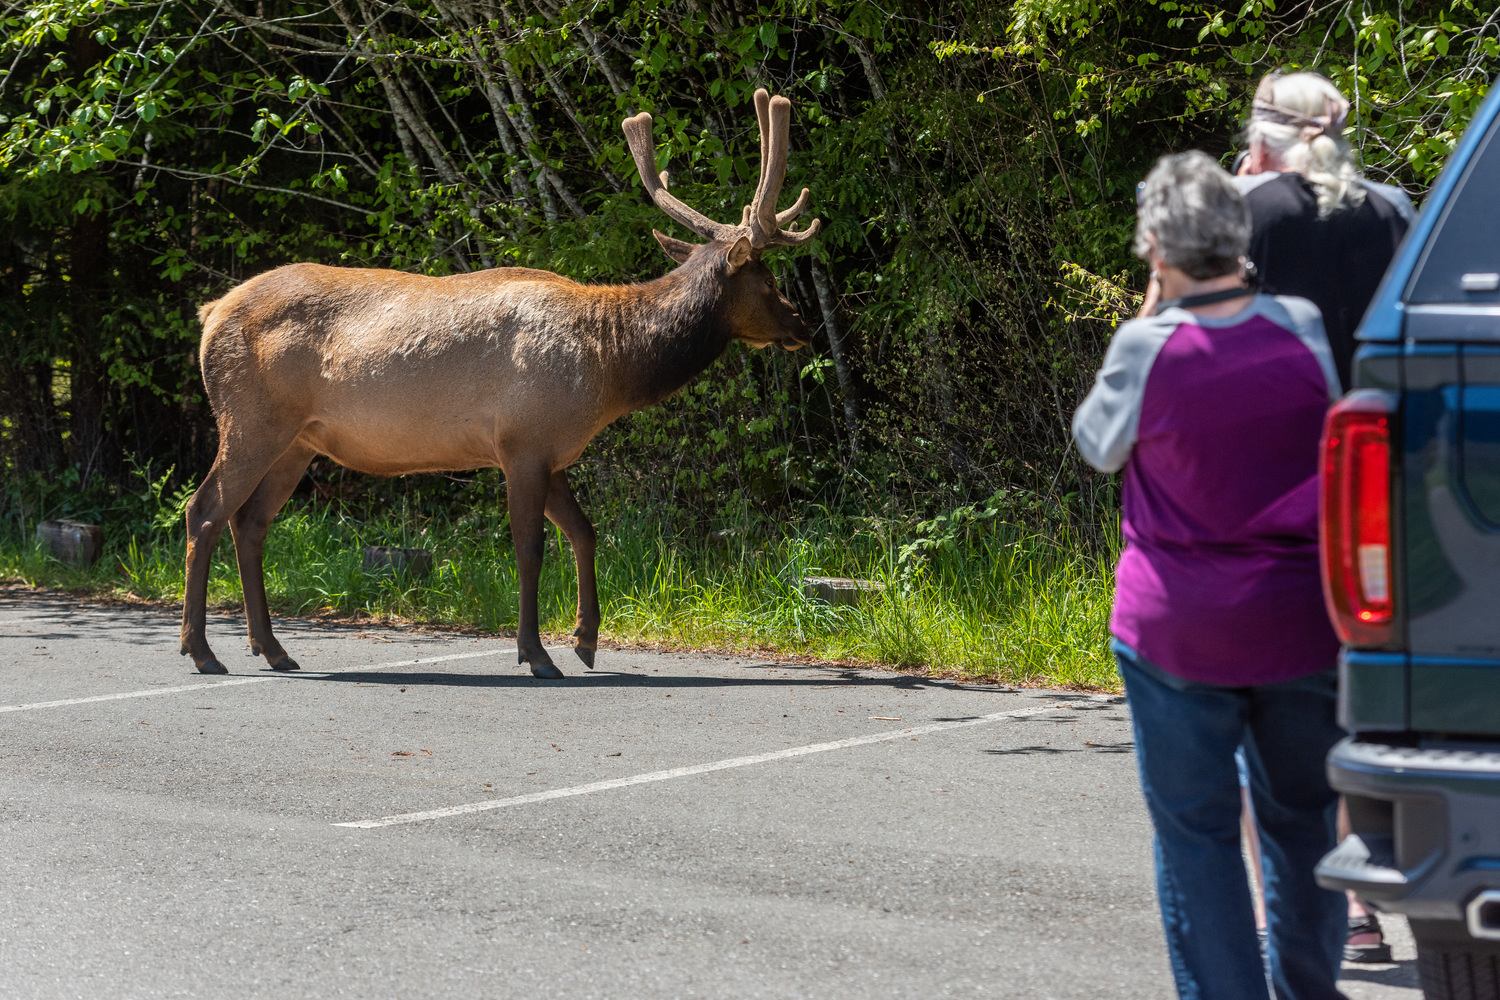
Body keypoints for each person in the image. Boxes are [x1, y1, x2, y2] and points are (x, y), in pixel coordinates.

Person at [1074, 151, 1347, 1000]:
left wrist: (1151, 312)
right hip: (1301, 620)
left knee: (1194, 837)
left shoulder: (1145, 346)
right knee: (1303, 825)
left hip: (1177, 630)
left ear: (1155, 246)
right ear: (1240, 239)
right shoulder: (1301, 324)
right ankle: (1308, 989)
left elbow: (1096, 446)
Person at [1234, 70, 1415, 388]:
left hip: (1274, 405)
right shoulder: (1392, 205)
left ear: (1260, 145)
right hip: (1379, 404)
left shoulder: (1242, 204)